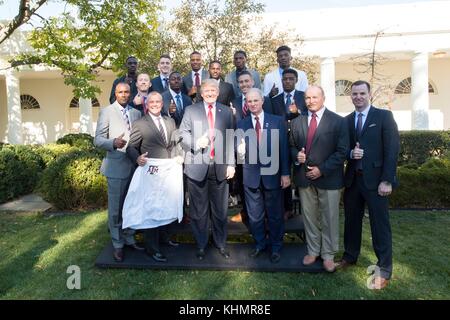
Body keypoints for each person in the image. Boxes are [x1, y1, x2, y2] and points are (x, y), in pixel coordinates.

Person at [337, 80, 400, 290]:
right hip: (353, 180)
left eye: (362, 93)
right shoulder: (346, 121)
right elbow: (342, 148)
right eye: (354, 94)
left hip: (376, 182)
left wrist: (387, 180)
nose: (358, 97)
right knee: (351, 222)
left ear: (369, 94)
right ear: (351, 96)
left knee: (380, 226)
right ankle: (350, 256)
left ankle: (384, 268)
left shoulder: (383, 117)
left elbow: (392, 150)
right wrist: (349, 154)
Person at [289, 85, 349, 272]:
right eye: (307, 98)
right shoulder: (297, 121)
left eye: (315, 97)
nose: (311, 101)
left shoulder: (338, 122)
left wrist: (321, 170)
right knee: (309, 217)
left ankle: (329, 254)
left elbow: (342, 152)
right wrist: (296, 156)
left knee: (329, 218)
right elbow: (291, 146)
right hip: (304, 178)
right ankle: (313, 250)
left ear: (323, 98)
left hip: (328, 178)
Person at [179, 79, 235, 261]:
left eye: (213, 90)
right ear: (201, 93)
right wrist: (195, 143)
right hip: (197, 166)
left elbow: (231, 138)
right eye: (206, 91)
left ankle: (220, 244)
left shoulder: (226, 112)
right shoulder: (191, 110)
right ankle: (201, 244)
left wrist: (232, 164)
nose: (210, 93)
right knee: (199, 211)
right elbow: (182, 133)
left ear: (218, 93)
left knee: (220, 211)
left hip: (220, 167)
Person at [124, 92, 183, 263]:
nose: (156, 104)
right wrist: (137, 158)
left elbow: (175, 143)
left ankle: (165, 238)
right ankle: (152, 248)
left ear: (162, 103)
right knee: (151, 208)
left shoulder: (170, 121)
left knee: (166, 203)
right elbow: (131, 147)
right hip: (150, 174)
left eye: (158, 101)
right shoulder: (140, 123)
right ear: (147, 104)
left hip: (168, 172)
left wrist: (178, 154)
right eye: (152, 102)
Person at [236, 88, 290, 263]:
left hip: (273, 175)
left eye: (255, 101)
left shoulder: (277, 121)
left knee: (275, 214)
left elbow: (284, 149)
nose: (252, 104)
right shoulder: (241, 124)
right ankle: (260, 244)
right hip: (251, 177)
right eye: (249, 101)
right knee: (255, 215)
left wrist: (285, 174)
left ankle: (276, 247)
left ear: (262, 101)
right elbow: (239, 151)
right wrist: (239, 151)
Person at [94, 82, 144, 262]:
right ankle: (117, 244)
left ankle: (129, 237)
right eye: (120, 92)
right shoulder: (107, 111)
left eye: (126, 92)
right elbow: (98, 140)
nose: (124, 95)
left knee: (131, 205)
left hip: (135, 167)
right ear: (115, 93)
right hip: (116, 167)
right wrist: (113, 143)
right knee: (115, 209)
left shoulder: (136, 113)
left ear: (130, 94)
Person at [229, 70, 273, 225]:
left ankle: (267, 214)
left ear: (253, 82)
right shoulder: (233, 102)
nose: (244, 84)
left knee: (267, 185)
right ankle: (246, 212)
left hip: (264, 150)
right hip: (242, 149)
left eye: (247, 81)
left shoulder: (265, 100)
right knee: (244, 180)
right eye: (241, 82)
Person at [271, 68, 307, 221]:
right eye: (285, 79)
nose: (287, 81)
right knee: (284, 174)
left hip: (299, 142)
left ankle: (305, 206)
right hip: (280, 142)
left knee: (300, 173)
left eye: (291, 79)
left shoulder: (304, 97)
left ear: (296, 80)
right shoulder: (274, 99)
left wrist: (298, 111)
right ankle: (287, 208)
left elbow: (310, 116)